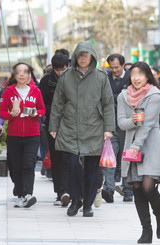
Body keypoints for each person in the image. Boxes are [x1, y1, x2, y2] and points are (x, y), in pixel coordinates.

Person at [49, 41, 115, 217]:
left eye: (87, 55)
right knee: (72, 165)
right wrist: (53, 126)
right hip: (70, 127)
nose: (83, 58)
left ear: (92, 56)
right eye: (80, 55)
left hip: (94, 127)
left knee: (92, 169)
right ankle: (75, 199)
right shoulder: (66, 77)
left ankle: (88, 204)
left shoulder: (101, 77)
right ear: (75, 56)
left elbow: (108, 104)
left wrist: (109, 128)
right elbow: (57, 103)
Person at [117, 61, 160, 244]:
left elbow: (146, 125)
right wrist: (133, 120)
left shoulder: (155, 95)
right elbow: (121, 123)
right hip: (131, 144)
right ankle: (146, 230)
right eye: (133, 74)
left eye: (141, 74)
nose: (136, 78)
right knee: (137, 189)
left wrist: (135, 147)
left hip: (150, 146)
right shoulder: (123, 96)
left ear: (148, 76)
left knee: (147, 187)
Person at [0, 62, 45, 208]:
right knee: (16, 166)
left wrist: (36, 114)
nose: (22, 74)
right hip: (14, 135)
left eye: (25, 72)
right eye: (19, 72)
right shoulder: (9, 92)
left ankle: (28, 194)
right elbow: (1, 112)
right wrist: (11, 115)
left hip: (32, 135)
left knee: (29, 164)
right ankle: (19, 195)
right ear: (15, 75)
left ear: (30, 75)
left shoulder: (35, 91)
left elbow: (42, 110)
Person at [101, 53, 133, 203]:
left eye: (117, 67)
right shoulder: (105, 78)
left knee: (127, 157)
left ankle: (128, 189)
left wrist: (113, 99)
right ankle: (109, 188)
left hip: (128, 125)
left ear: (123, 65)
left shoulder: (132, 78)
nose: (114, 70)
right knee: (110, 157)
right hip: (110, 124)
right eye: (111, 67)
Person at [39, 53, 70, 206]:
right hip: (53, 125)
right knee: (57, 159)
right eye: (58, 69)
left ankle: (70, 190)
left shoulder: (74, 79)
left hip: (71, 125)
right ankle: (60, 192)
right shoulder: (46, 81)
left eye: (63, 69)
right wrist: (57, 110)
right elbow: (42, 104)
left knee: (70, 158)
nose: (60, 72)